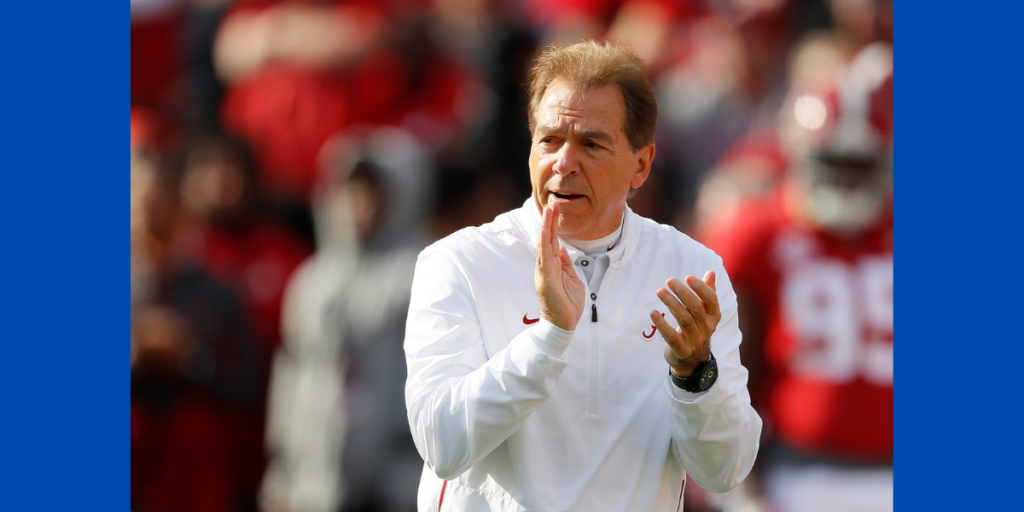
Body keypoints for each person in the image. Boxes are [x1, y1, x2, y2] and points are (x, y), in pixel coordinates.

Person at [404, 41, 761, 512]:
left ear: (641, 164)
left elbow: (725, 471)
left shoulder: (693, 271)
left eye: (591, 144)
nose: (564, 163)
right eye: (549, 140)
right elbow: (442, 444)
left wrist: (695, 374)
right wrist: (549, 339)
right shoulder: (458, 262)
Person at [701, 43, 893, 512]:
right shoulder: (755, 234)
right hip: (796, 477)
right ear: (802, 156)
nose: (847, 182)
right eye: (834, 164)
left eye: (859, 166)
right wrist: (739, 491)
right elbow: (719, 375)